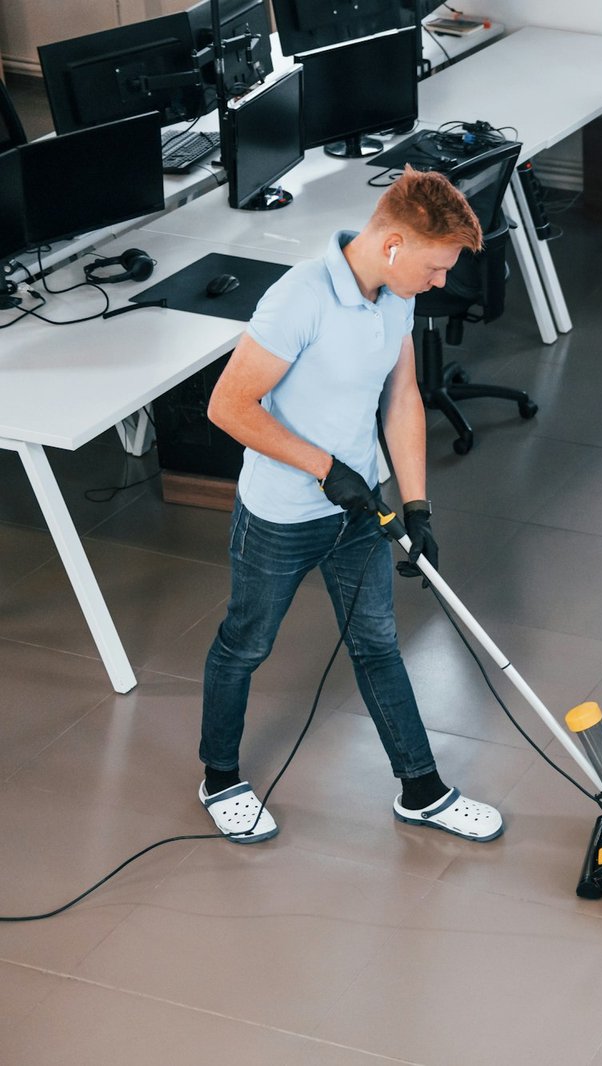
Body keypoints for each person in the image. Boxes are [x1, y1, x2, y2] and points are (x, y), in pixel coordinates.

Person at [199, 168, 502, 844]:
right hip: (281, 516)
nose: (441, 282)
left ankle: (421, 789)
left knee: (377, 644)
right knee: (246, 644)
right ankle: (219, 777)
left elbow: (402, 398)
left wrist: (417, 504)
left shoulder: (395, 295)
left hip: (361, 510)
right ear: (393, 245)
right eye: (435, 266)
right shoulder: (298, 300)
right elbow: (227, 406)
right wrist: (324, 468)